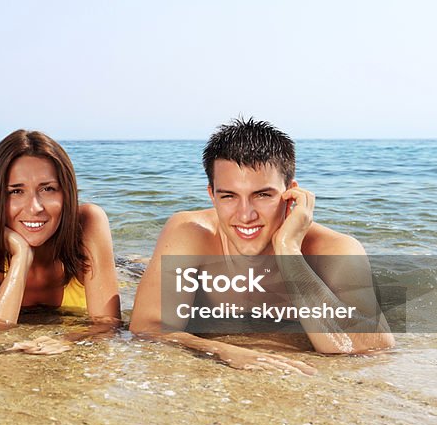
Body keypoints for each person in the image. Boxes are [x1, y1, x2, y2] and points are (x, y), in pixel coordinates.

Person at [129, 118, 395, 373]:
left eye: (263, 195)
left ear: (290, 194)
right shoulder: (191, 233)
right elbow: (147, 328)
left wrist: (289, 250)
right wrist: (221, 350)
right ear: (212, 194)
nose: (245, 215)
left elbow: (370, 347)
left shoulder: (336, 250)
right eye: (229, 196)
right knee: (132, 268)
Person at [0, 130, 121, 352]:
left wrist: (67, 341)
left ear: (66, 193)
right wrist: (21, 258)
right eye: (16, 191)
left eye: (47, 189)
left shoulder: (88, 222)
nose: (35, 208)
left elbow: (108, 325)